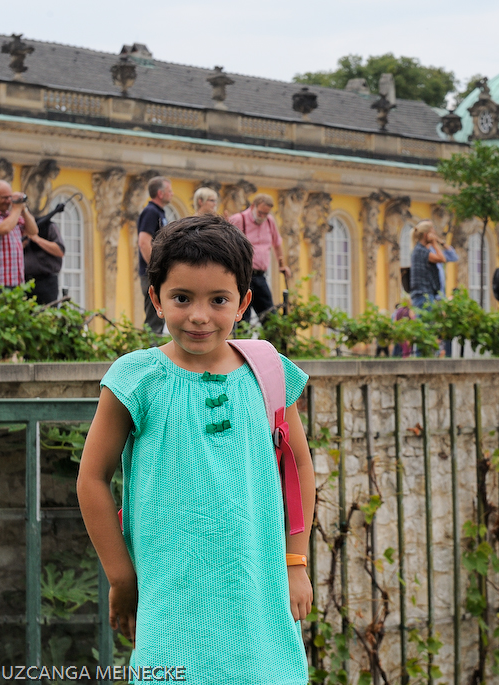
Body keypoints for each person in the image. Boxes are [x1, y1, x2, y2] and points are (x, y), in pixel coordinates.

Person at [77, 214, 315, 683]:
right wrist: (122, 578)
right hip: (170, 597)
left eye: (219, 300)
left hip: (258, 593)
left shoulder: (268, 370)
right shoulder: (136, 378)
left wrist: (296, 562)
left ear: (244, 302)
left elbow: (298, 466)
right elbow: (92, 479)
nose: (199, 315)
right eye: (182, 298)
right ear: (156, 300)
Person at [229, 194, 291, 324]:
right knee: (243, 317)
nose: (262, 216)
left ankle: (272, 343)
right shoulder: (239, 219)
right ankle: (242, 343)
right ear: (253, 206)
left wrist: (282, 265)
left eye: (266, 214)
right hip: (243, 275)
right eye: (260, 212)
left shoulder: (269, 221)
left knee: (269, 315)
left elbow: (277, 243)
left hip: (260, 276)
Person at [0, 180, 39, 295]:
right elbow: (4, 229)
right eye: (4, 198)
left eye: (10, 197)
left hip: (17, 282)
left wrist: (23, 209)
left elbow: (33, 230)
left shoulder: (11, 216)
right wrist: (16, 209)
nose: (8, 201)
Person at [137, 176, 173, 332]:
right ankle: (151, 351)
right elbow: (144, 242)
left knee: (158, 316)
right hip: (151, 272)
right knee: (154, 317)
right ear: (160, 193)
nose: (172, 194)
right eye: (169, 191)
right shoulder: (150, 211)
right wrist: (156, 268)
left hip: (155, 271)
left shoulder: (158, 212)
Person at [23, 219, 65, 305]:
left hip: (46, 282)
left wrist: (37, 239)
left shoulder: (49, 226)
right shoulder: (19, 227)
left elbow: (60, 250)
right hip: (25, 281)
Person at [408, 221, 445, 310]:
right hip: (424, 296)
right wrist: (434, 243)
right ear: (426, 235)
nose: (435, 235)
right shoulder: (421, 251)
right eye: (432, 233)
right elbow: (442, 259)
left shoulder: (419, 250)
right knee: (427, 323)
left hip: (423, 295)